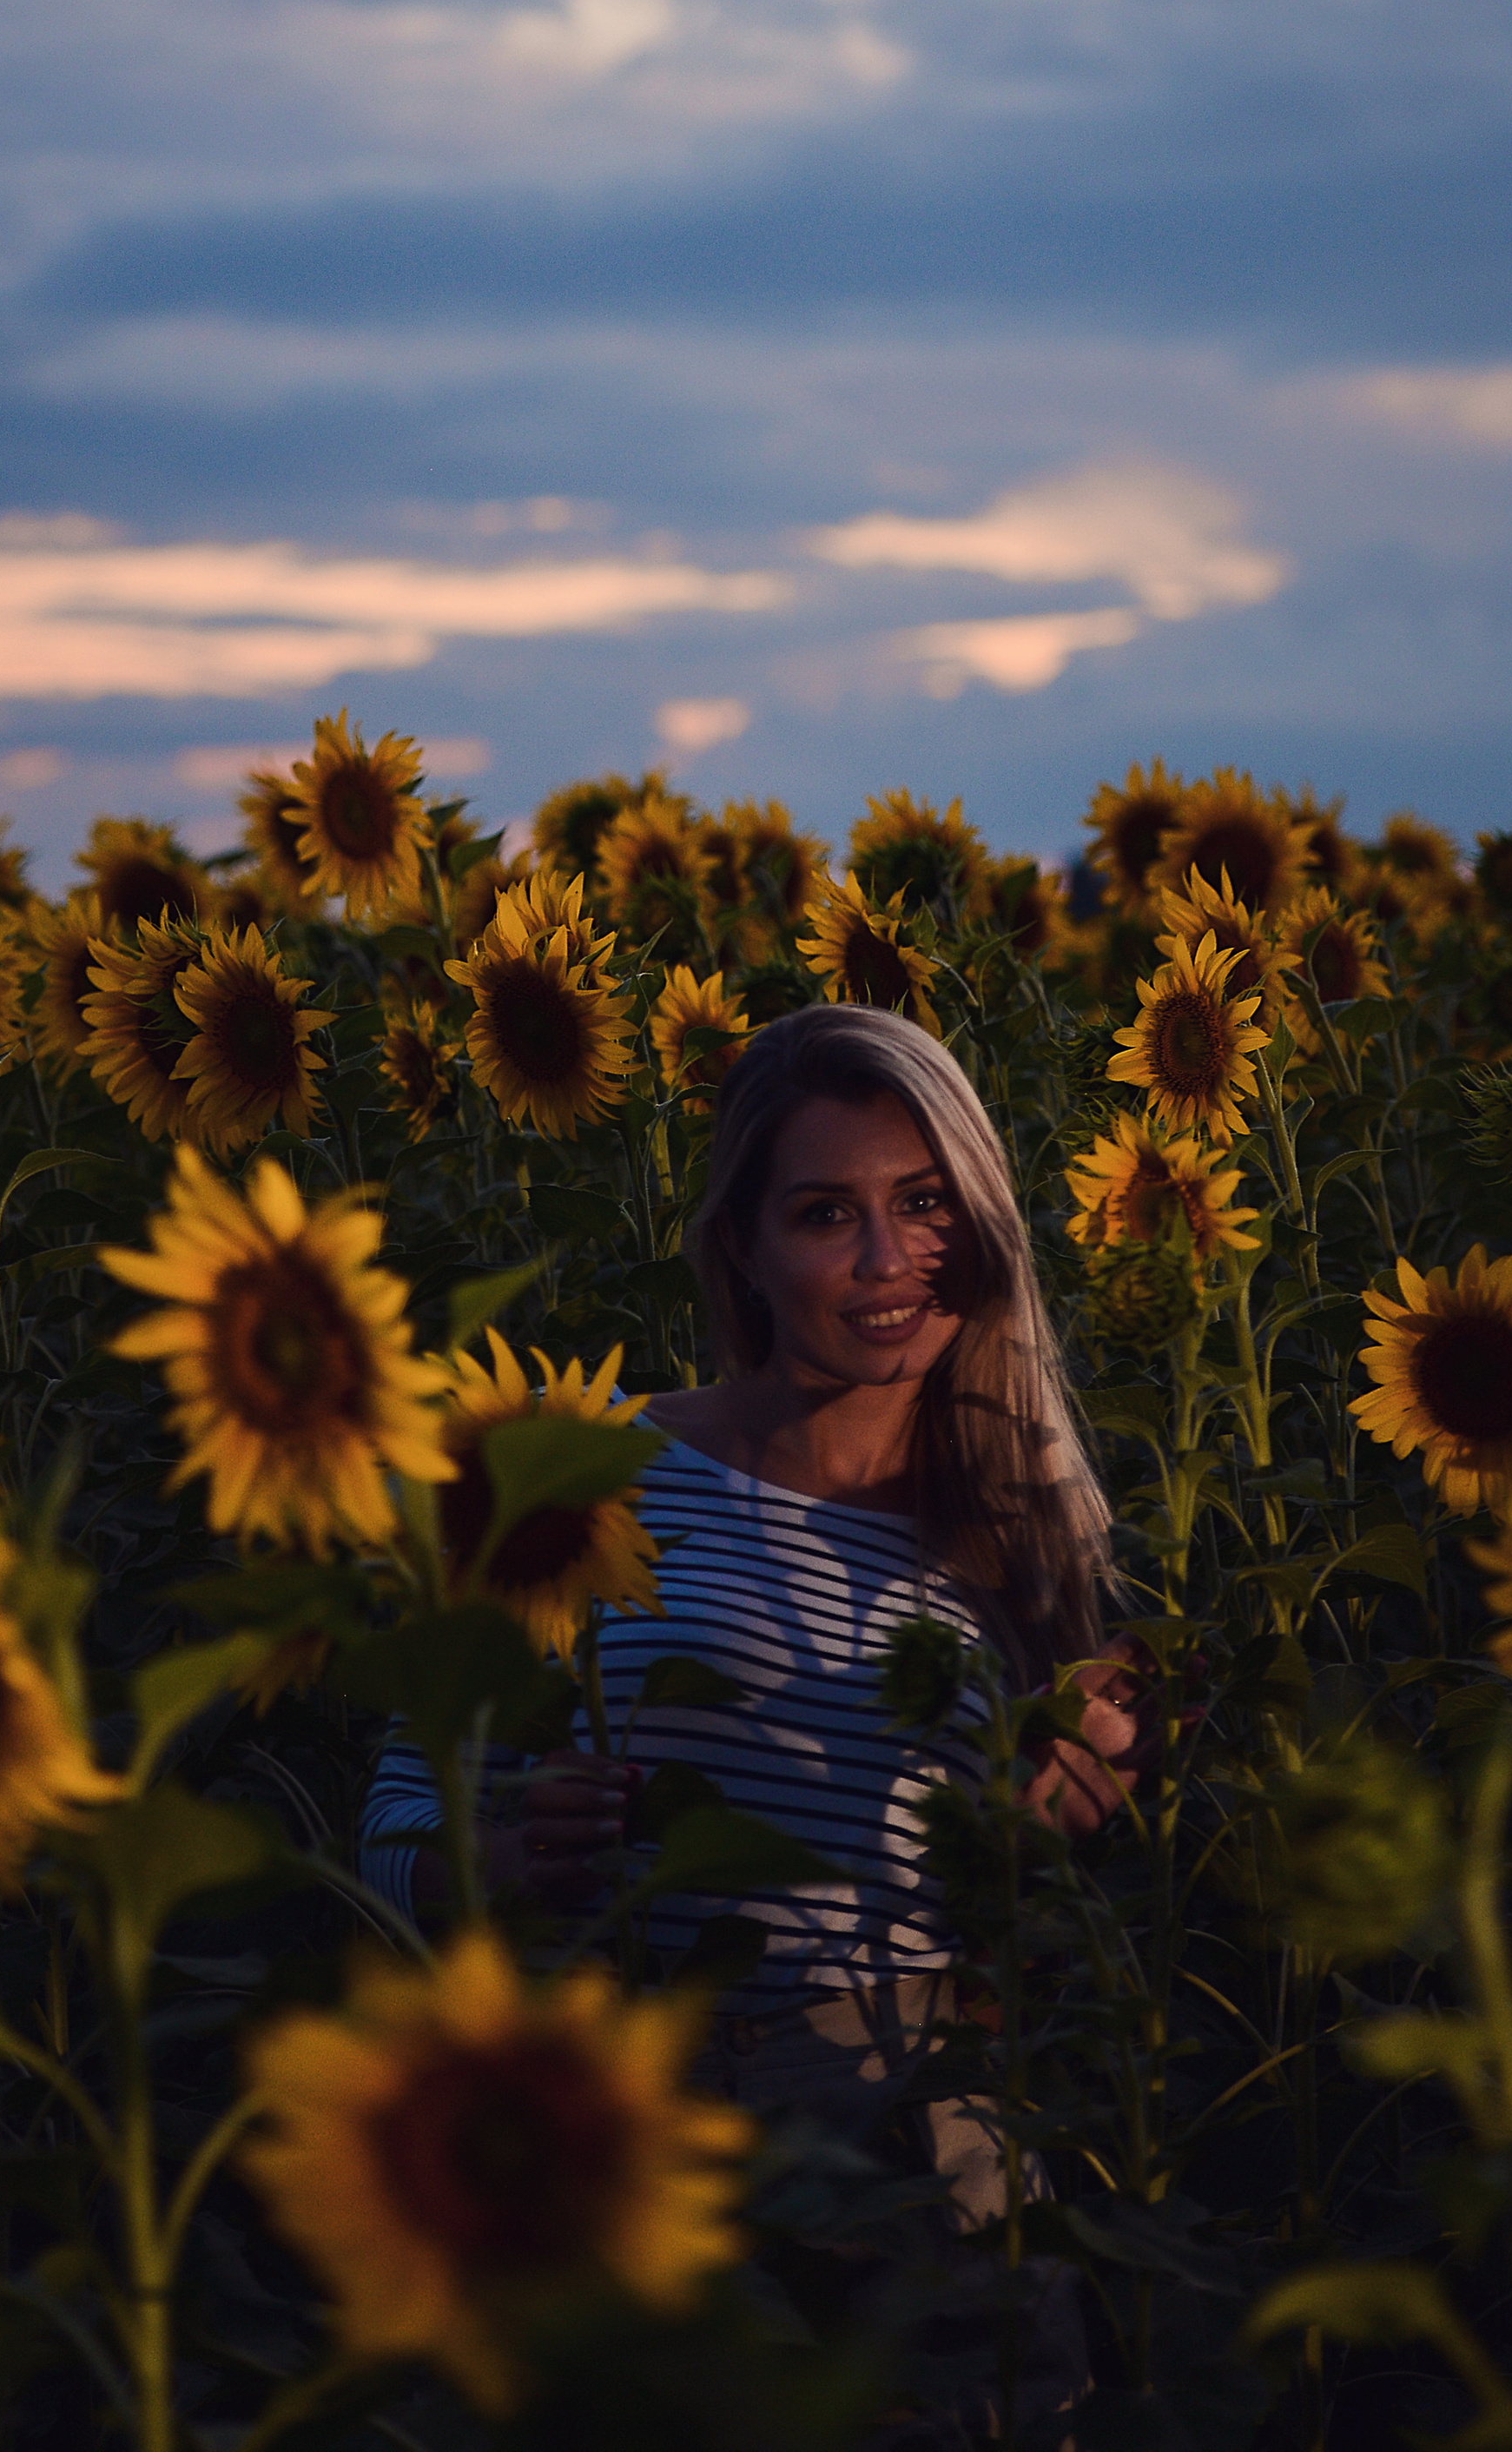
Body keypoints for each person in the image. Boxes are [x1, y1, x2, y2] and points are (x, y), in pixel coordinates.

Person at [360, 1004, 1140, 2401]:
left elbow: (1023, 1948)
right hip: (621, 2129)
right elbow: (389, 1826)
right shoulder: (574, 1469)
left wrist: (1053, 1838)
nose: (891, 1260)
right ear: (746, 1248)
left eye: (923, 1204)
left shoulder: (1026, 1537)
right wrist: (500, 1863)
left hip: (924, 2147)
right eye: (828, 1213)